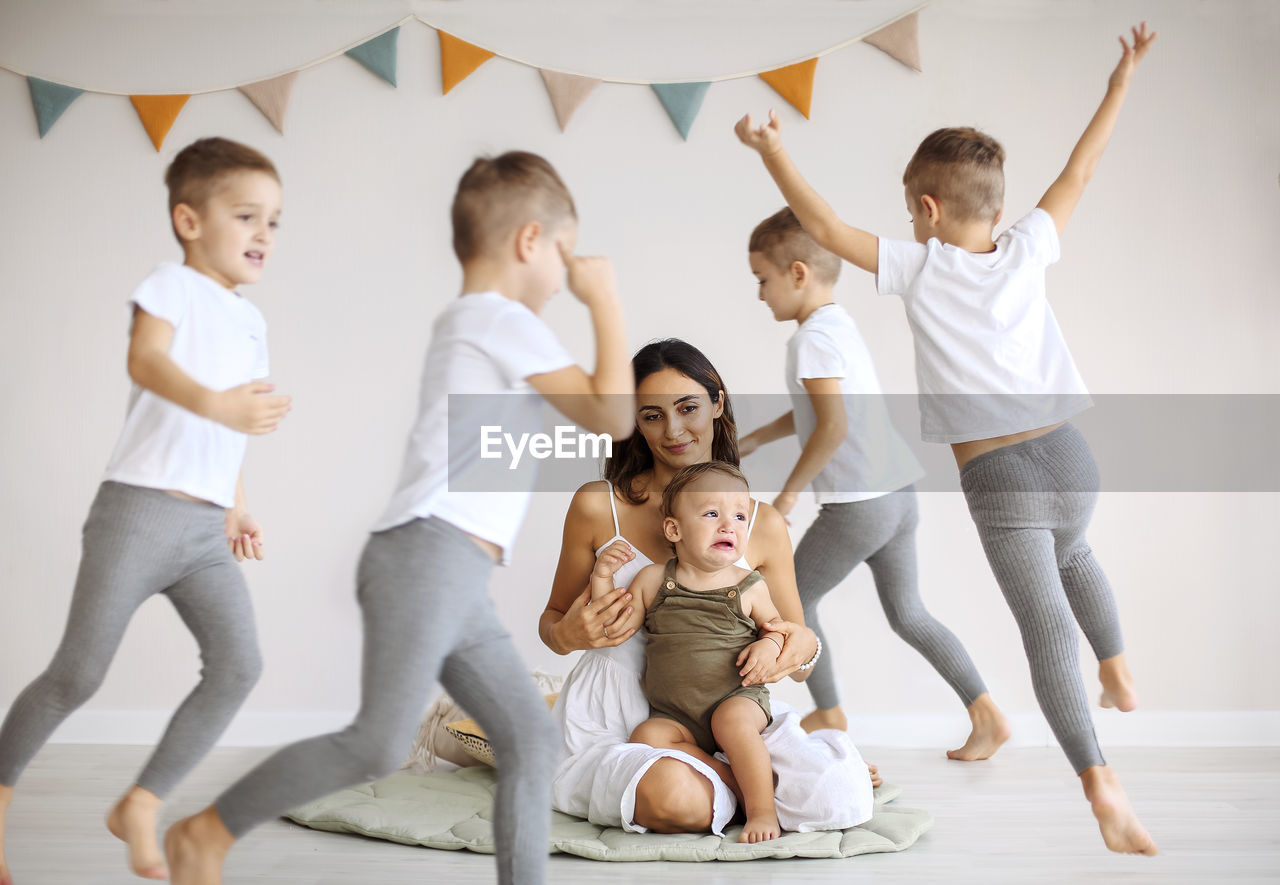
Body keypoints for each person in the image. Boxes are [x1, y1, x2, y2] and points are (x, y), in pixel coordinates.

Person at [735, 23, 1158, 855]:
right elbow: (1082, 166)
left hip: (1002, 478)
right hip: (1073, 457)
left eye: (909, 211)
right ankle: (1116, 662)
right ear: (996, 204)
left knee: (1043, 633)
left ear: (927, 211)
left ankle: (1099, 780)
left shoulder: (920, 266)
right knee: (1079, 559)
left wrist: (770, 150)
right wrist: (1122, 82)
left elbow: (820, 222)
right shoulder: (1029, 245)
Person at [163, 151, 635, 885]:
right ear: (530, 242)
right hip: (429, 558)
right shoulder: (496, 317)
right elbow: (613, 416)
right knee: (376, 742)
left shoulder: (479, 322)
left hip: (453, 572)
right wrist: (604, 299)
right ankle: (207, 831)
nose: (569, 272)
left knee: (530, 740)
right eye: (567, 254)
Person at [0, 137, 290, 884]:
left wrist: (238, 505)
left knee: (238, 664)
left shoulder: (252, 321)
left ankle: (141, 799)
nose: (262, 233)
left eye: (273, 222)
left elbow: (240, 425)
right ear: (189, 220)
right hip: (138, 513)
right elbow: (146, 361)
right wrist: (218, 405)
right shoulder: (171, 285)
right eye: (247, 215)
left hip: (202, 528)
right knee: (78, 673)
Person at [541, 339, 874, 839]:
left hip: (730, 708)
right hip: (620, 713)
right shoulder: (597, 506)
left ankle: (760, 780)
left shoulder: (759, 524)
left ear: (717, 403)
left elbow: (799, 650)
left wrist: (795, 649)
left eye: (688, 407)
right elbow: (553, 623)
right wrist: (572, 634)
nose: (673, 430)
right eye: (650, 415)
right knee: (675, 799)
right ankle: (759, 785)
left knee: (837, 797)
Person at [740, 207, 1010, 760]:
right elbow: (819, 412)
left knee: (794, 602)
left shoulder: (810, 341)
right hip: (898, 496)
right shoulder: (836, 325)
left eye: (762, 280)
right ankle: (986, 714)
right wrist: (759, 439)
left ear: (797, 273)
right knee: (909, 613)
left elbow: (832, 428)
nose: (760, 295)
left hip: (859, 505)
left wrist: (788, 495)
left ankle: (830, 711)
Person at [593, 461, 783, 842]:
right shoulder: (654, 580)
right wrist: (601, 577)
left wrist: (768, 645)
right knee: (646, 735)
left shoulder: (749, 585)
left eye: (740, 516)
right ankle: (732, 780)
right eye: (712, 513)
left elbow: (777, 630)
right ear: (674, 529)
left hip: (736, 699)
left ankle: (763, 812)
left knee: (730, 723)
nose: (728, 525)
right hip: (675, 714)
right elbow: (614, 627)